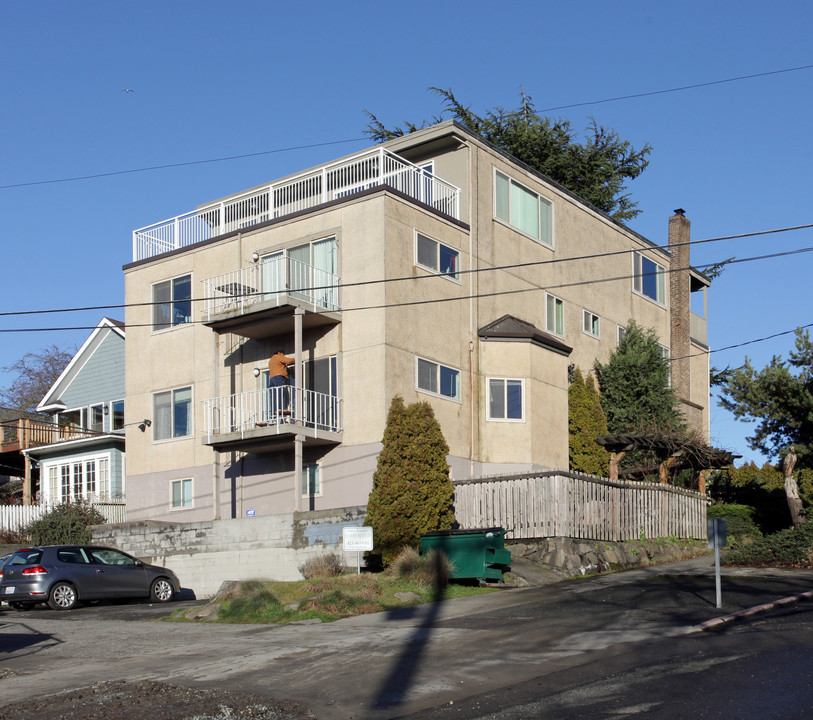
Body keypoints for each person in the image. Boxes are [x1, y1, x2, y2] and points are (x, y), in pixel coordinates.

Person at [268, 350, 295, 419]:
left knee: (274, 395)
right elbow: (288, 361)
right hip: (279, 377)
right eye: (282, 354)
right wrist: (295, 359)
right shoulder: (278, 357)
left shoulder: (271, 360)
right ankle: (279, 409)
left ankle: (274, 411)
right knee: (280, 393)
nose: (283, 355)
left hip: (272, 378)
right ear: (279, 353)